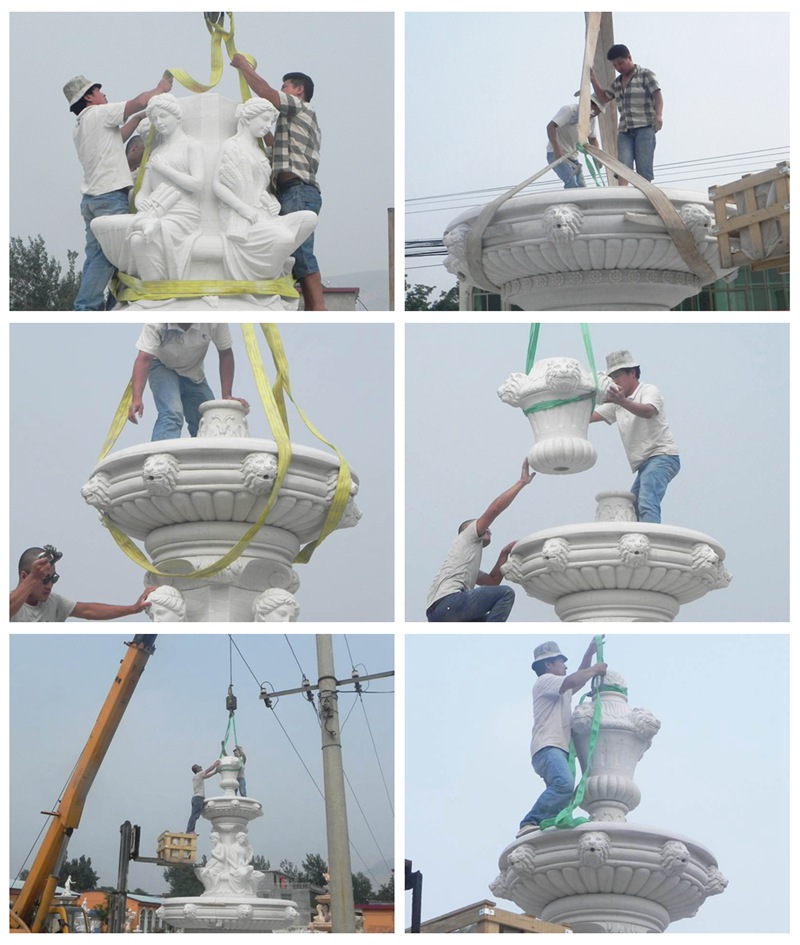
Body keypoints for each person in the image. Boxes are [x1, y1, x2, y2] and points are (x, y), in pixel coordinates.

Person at [63, 72, 173, 310]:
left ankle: (89, 306)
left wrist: (141, 117)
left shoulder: (81, 126)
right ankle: (88, 308)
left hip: (92, 199)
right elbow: (139, 100)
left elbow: (118, 137)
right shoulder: (99, 113)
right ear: (89, 97)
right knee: (111, 255)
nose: (104, 94)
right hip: (109, 197)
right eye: (99, 91)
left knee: (96, 256)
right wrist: (160, 89)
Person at [229, 54, 325, 310]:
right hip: (289, 191)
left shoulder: (301, 107)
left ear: (299, 90)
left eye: (285, 86)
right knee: (289, 250)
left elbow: (265, 92)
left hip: (298, 190)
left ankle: (318, 308)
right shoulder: (290, 125)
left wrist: (243, 66)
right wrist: (256, 125)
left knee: (301, 251)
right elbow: (274, 147)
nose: (282, 90)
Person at [213, 99, 317, 289]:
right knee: (284, 238)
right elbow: (218, 185)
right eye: (265, 120)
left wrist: (270, 200)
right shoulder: (232, 146)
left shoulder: (260, 153)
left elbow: (261, 189)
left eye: (270, 122)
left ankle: (274, 259)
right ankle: (265, 277)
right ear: (247, 119)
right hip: (241, 217)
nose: (268, 126)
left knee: (309, 219)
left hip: (263, 214)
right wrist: (242, 208)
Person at [517, 639, 607, 837]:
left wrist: (589, 653)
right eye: (561, 661)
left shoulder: (558, 689)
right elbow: (574, 680)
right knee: (564, 785)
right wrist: (594, 669)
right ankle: (530, 821)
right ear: (549, 664)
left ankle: (547, 830)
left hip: (556, 748)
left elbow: (578, 680)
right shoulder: (545, 681)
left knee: (563, 794)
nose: (565, 666)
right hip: (548, 747)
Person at [426, 461, 535, 622]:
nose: (487, 528)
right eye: (481, 525)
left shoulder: (465, 565)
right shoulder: (467, 536)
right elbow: (494, 510)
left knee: (485, 621)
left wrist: (504, 554)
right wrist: (521, 483)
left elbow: (492, 582)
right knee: (506, 593)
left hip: (441, 613)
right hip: (449, 602)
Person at [591, 350, 680, 524]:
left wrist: (621, 401)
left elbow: (648, 411)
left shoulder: (647, 390)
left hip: (662, 456)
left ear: (632, 373)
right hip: (645, 464)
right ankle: (639, 539)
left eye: (618, 376)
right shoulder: (618, 402)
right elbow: (589, 417)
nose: (615, 382)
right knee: (633, 508)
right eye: (612, 378)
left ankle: (651, 542)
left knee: (647, 502)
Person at [127, 324, 250, 441]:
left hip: (193, 371)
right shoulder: (157, 323)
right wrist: (137, 398)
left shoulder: (213, 320)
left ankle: (205, 460)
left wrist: (227, 395)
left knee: (209, 418)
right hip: (162, 365)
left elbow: (225, 353)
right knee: (172, 412)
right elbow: (144, 359)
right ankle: (160, 458)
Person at [10, 545, 155, 622]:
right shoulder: (14, 606)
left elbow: (87, 610)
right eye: (44, 579)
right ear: (24, 576)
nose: (49, 586)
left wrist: (133, 608)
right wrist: (33, 578)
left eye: (53, 579)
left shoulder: (54, 602)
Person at [590, 44, 662, 184]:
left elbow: (657, 95)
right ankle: (622, 193)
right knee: (623, 166)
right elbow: (604, 97)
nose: (619, 68)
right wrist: (593, 80)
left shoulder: (645, 74)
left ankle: (645, 196)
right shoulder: (617, 83)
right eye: (615, 65)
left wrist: (658, 115)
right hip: (625, 130)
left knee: (643, 167)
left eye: (621, 63)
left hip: (644, 127)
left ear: (629, 57)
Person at [546, 95, 602, 188]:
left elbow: (592, 139)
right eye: (597, 110)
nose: (597, 114)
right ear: (590, 104)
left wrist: (597, 158)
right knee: (571, 182)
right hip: (556, 154)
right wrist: (557, 150)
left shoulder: (592, 118)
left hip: (572, 156)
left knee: (582, 185)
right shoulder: (569, 110)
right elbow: (550, 127)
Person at [186, 759, 220, 833]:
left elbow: (207, 776)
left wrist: (215, 772)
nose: (201, 767)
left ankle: (190, 830)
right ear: (197, 769)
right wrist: (215, 764)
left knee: (194, 814)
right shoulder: (199, 774)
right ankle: (190, 830)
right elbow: (208, 770)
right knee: (195, 815)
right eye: (199, 767)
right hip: (198, 798)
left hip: (196, 798)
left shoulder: (196, 777)